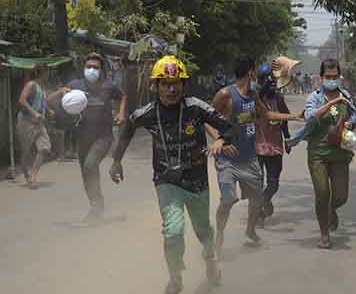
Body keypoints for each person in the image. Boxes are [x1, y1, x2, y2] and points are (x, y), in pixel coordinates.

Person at [110, 56, 232, 294]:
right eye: (164, 83)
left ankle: (210, 261)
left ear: (183, 85)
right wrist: (116, 160)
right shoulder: (147, 113)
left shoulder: (196, 107)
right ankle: (175, 277)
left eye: (176, 83)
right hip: (166, 182)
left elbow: (230, 128)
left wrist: (220, 139)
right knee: (173, 231)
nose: (171, 89)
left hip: (196, 182)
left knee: (203, 230)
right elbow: (127, 130)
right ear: (155, 86)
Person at [210, 55, 300, 257]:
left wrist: (294, 116)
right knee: (228, 199)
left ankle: (250, 231)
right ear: (250, 72)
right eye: (255, 71)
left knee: (257, 199)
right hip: (228, 160)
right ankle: (219, 238)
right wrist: (219, 141)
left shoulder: (253, 95)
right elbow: (207, 119)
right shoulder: (225, 94)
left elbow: (267, 115)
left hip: (250, 159)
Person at [65, 53, 127, 223]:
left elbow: (122, 96)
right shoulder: (75, 85)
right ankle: (95, 205)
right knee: (86, 172)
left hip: (103, 136)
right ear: (83, 68)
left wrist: (121, 113)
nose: (91, 69)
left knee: (90, 164)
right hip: (82, 137)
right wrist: (62, 94)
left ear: (102, 70)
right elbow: (57, 100)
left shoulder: (109, 86)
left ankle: (97, 205)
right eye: (89, 66)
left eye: (96, 67)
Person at [304, 58, 356, 249]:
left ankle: (332, 210)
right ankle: (324, 234)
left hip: (340, 153)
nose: (332, 80)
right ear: (321, 77)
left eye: (335, 76)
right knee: (322, 192)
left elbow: (355, 116)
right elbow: (310, 117)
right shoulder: (315, 97)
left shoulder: (346, 96)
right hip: (318, 153)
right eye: (328, 77)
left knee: (340, 197)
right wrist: (332, 102)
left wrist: (352, 123)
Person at [16, 64, 66, 187]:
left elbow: (43, 101)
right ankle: (26, 174)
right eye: (47, 72)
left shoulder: (41, 87)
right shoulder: (31, 84)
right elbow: (22, 100)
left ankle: (33, 176)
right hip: (26, 121)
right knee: (26, 151)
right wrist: (35, 113)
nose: (48, 75)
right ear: (41, 73)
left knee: (44, 147)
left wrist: (48, 110)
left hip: (38, 123)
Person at [255, 62, 292, 224]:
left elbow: (284, 119)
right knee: (257, 182)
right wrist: (260, 93)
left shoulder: (278, 97)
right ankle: (258, 212)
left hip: (275, 146)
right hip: (257, 146)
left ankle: (263, 201)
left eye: (272, 79)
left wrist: (288, 139)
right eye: (265, 79)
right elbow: (245, 116)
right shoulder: (253, 97)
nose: (269, 82)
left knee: (273, 183)